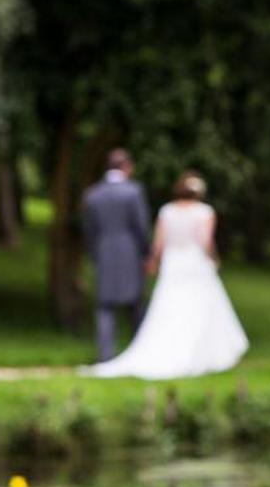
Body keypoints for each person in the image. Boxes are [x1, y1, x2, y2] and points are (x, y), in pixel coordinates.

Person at [86, 171, 248, 380]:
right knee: (197, 308)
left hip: (173, 265)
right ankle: (199, 352)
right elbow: (204, 241)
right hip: (194, 263)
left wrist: (152, 261)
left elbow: (158, 243)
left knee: (169, 307)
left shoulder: (167, 211)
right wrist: (213, 258)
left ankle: (163, 348)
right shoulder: (204, 212)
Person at [81, 148, 151, 362]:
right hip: (129, 254)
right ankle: (141, 352)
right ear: (127, 167)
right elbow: (141, 226)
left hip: (103, 254)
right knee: (135, 306)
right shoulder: (133, 192)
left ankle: (105, 356)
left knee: (104, 307)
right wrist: (146, 253)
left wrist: (94, 254)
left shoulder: (93, 194)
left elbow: (89, 230)